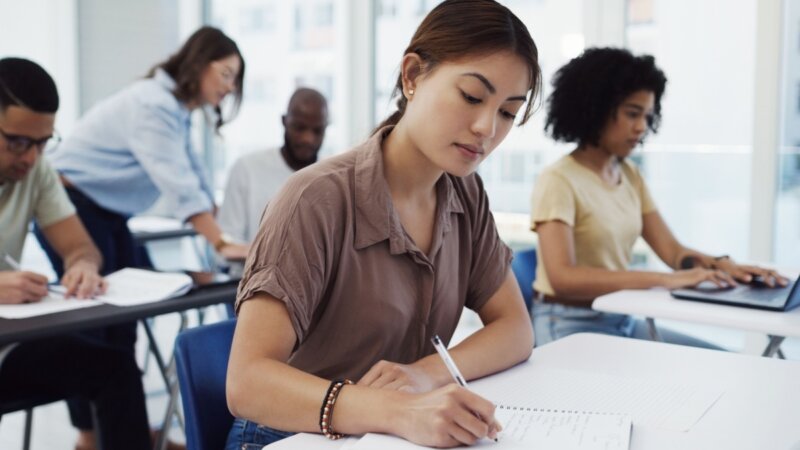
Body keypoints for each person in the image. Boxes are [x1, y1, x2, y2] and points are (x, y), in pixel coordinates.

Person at [225, 1, 540, 448]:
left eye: (508, 112)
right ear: (412, 75)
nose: (486, 127)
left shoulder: (466, 195)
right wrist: (401, 411)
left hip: (391, 435)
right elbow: (247, 383)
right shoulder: (315, 199)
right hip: (288, 436)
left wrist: (421, 376)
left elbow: (516, 329)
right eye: (471, 96)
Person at [35, 26, 245, 448]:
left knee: (123, 326)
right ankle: (91, 437)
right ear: (199, 64)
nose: (230, 87)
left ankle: (125, 433)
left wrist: (226, 236)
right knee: (97, 325)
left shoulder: (176, 108)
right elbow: (180, 187)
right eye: (225, 74)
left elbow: (197, 182)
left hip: (107, 212)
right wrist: (222, 244)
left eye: (235, 79)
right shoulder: (153, 105)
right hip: (71, 205)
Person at [529, 47, 788, 347]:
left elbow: (674, 253)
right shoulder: (559, 180)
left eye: (647, 116)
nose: (641, 127)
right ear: (596, 108)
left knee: (722, 358)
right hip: (568, 322)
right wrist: (665, 280)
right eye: (632, 113)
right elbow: (564, 278)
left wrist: (723, 266)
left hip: (620, 317)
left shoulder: (629, 175)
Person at [0, 57, 151, 450]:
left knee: (114, 367)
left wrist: (82, 265)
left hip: (7, 348)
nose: (31, 157)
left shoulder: (36, 171)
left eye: (43, 142)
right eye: (17, 142)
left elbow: (80, 246)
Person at [218, 87, 328, 243]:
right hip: (251, 267)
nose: (307, 139)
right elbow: (227, 243)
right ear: (284, 121)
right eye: (299, 128)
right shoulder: (247, 169)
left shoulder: (333, 179)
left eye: (317, 131)